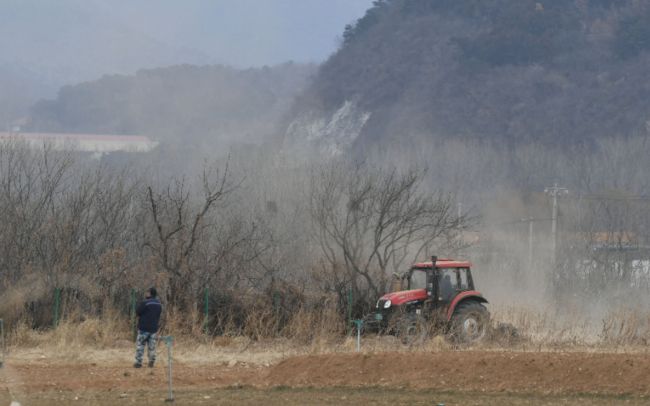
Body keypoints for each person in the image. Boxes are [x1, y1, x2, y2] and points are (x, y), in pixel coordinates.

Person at [134, 287, 162, 368]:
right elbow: (158, 314)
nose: (146, 293)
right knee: (152, 346)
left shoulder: (145, 303)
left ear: (150, 293)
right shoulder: (159, 304)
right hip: (153, 329)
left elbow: (138, 312)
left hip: (143, 328)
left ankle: (138, 362)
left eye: (147, 292)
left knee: (140, 345)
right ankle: (151, 361)